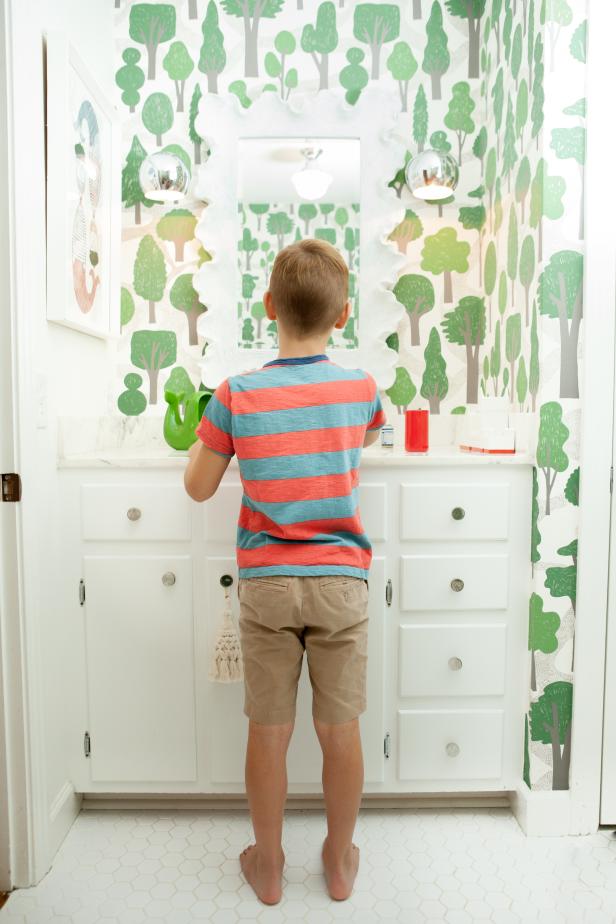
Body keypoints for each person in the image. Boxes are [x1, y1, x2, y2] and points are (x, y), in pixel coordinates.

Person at [184, 238, 386, 905]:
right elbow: (364, 440)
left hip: (267, 582)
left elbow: (198, 488)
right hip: (341, 582)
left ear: (268, 305)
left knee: (268, 731)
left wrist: (216, 435)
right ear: (344, 315)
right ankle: (338, 858)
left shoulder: (236, 394)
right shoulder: (360, 388)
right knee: (340, 729)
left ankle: (267, 864)